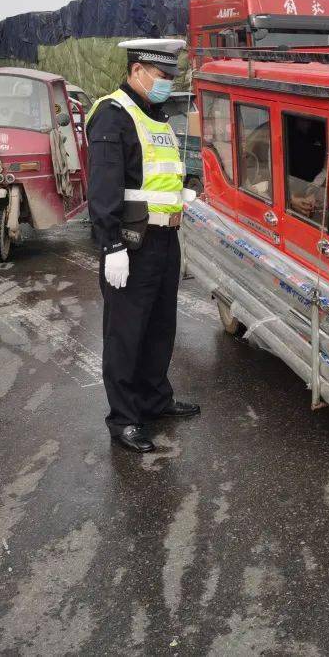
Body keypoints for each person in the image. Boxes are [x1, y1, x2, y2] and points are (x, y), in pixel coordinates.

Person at [86, 38, 200, 454]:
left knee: (159, 326)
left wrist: (184, 193)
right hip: (131, 243)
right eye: (162, 76)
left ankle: (156, 399)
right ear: (137, 71)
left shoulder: (157, 116)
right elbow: (103, 187)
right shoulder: (112, 115)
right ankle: (125, 418)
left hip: (165, 239)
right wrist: (111, 244)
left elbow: (160, 174)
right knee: (126, 332)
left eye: (171, 76)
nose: (167, 83)